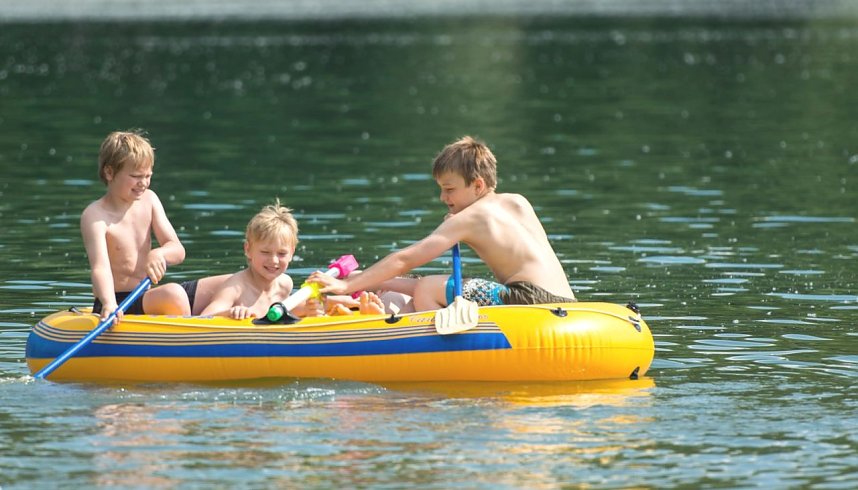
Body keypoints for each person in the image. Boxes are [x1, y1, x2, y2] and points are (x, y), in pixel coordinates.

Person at [308, 135, 576, 310]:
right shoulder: (518, 201)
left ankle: (437, 351)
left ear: (477, 185)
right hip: (563, 299)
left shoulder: (471, 217)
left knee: (428, 287)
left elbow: (406, 258)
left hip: (528, 299)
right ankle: (375, 284)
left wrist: (346, 285)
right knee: (439, 284)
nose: (442, 197)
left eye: (450, 189)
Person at [81, 130, 223, 323]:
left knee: (229, 282)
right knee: (173, 293)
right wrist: (108, 303)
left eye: (148, 176)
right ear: (109, 172)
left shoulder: (150, 199)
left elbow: (177, 249)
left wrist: (159, 254)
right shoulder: (95, 215)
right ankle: (192, 338)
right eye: (136, 176)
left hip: (146, 296)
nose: (144, 183)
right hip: (120, 301)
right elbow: (100, 267)